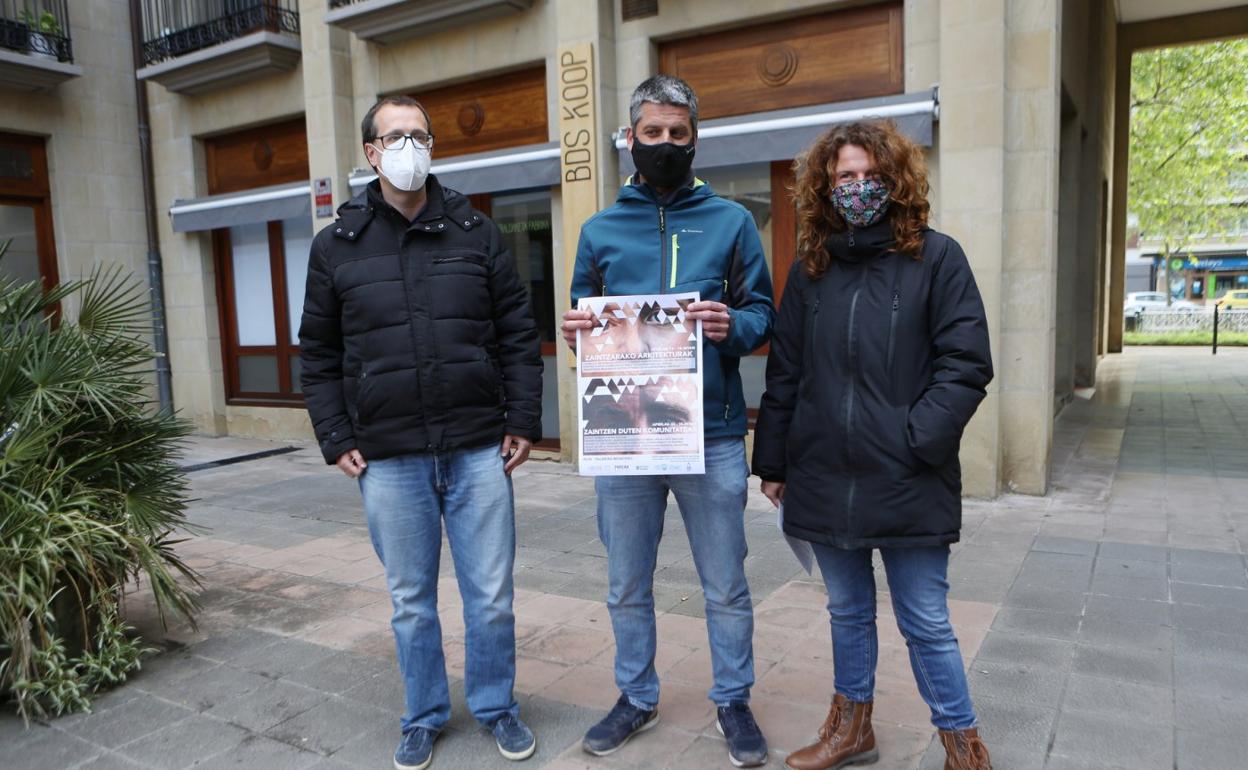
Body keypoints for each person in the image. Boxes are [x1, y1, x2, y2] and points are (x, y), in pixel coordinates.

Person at [299, 95, 543, 770]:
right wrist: (334, 433)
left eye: (420, 135)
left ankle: (497, 708)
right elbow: (316, 355)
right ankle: (425, 715)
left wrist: (523, 419)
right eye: (395, 136)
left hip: (477, 448)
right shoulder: (336, 246)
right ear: (371, 153)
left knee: (490, 599)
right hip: (389, 456)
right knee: (411, 604)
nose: (410, 146)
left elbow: (520, 334)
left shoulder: (476, 232)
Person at [751, 120, 995, 770]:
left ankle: (962, 745)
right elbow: (787, 371)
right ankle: (851, 727)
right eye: (844, 178)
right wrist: (772, 462)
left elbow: (966, 363)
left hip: (910, 475)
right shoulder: (811, 269)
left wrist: (919, 440)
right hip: (825, 474)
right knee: (848, 612)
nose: (857, 188)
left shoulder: (937, 258)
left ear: (895, 181)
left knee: (926, 620)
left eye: (869, 176)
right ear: (825, 190)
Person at [560, 74, 776, 768]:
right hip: (625, 438)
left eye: (677, 134)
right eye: (651, 133)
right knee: (626, 581)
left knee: (726, 582)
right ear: (631, 138)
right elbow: (578, 312)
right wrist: (576, 334)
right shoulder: (599, 229)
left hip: (709, 436)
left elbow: (763, 314)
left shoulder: (733, 222)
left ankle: (733, 699)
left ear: (694, 138)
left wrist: (730, 326)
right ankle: (635, 696)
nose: (664, 144)